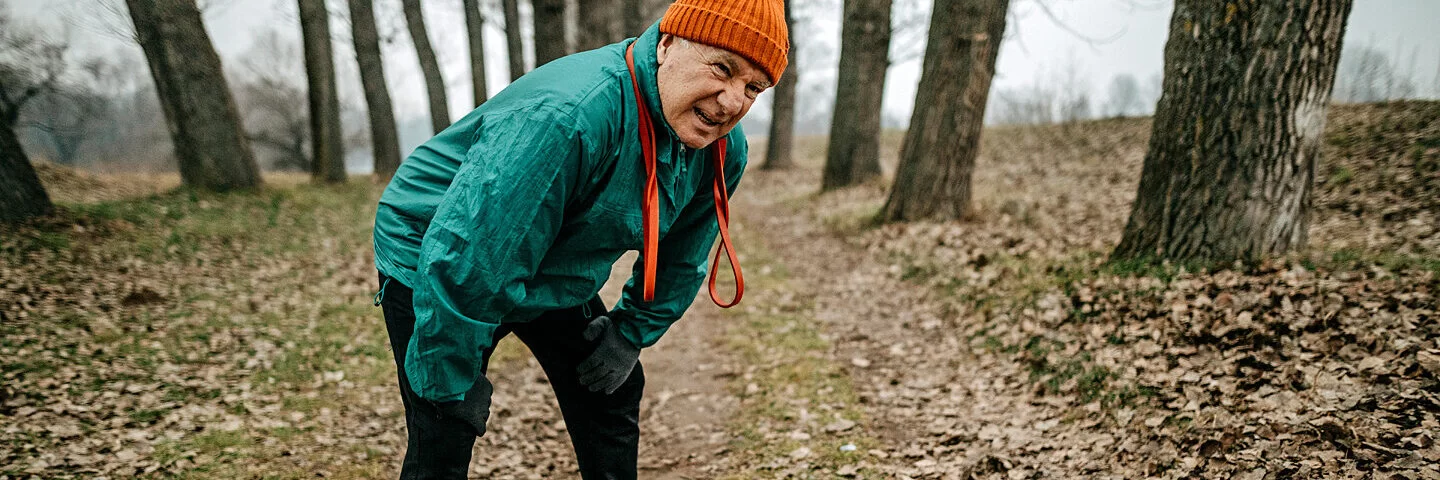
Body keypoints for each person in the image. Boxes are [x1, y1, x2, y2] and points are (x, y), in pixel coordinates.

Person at [370, 0, 788, 478]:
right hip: (438, 244)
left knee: (610, 387)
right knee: (444, 426)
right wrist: (448, 378)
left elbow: (684, 254)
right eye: (722, 68)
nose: (733, 101)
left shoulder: (720, 148)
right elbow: (474, 253)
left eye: (754, 87)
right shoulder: (570, 114)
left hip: (553, 255)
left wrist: (631, 331)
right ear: (668, 45)